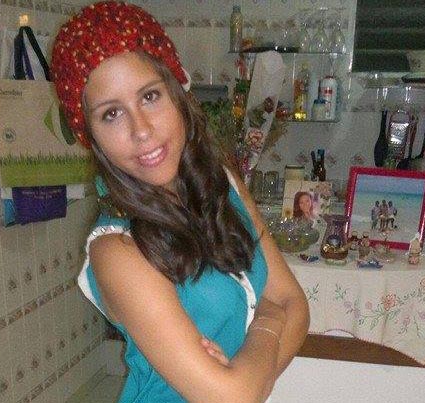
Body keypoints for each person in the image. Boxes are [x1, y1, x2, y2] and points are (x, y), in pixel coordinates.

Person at [51, 3, 310, 402]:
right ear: (91, 135)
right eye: (111, 114)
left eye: (150, 96)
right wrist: (270, 322)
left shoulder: (223, 183)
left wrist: (247, 378)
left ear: (177, 92)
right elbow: (236, 393)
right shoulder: (116, 249)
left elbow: (295, 304)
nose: (141, 130)